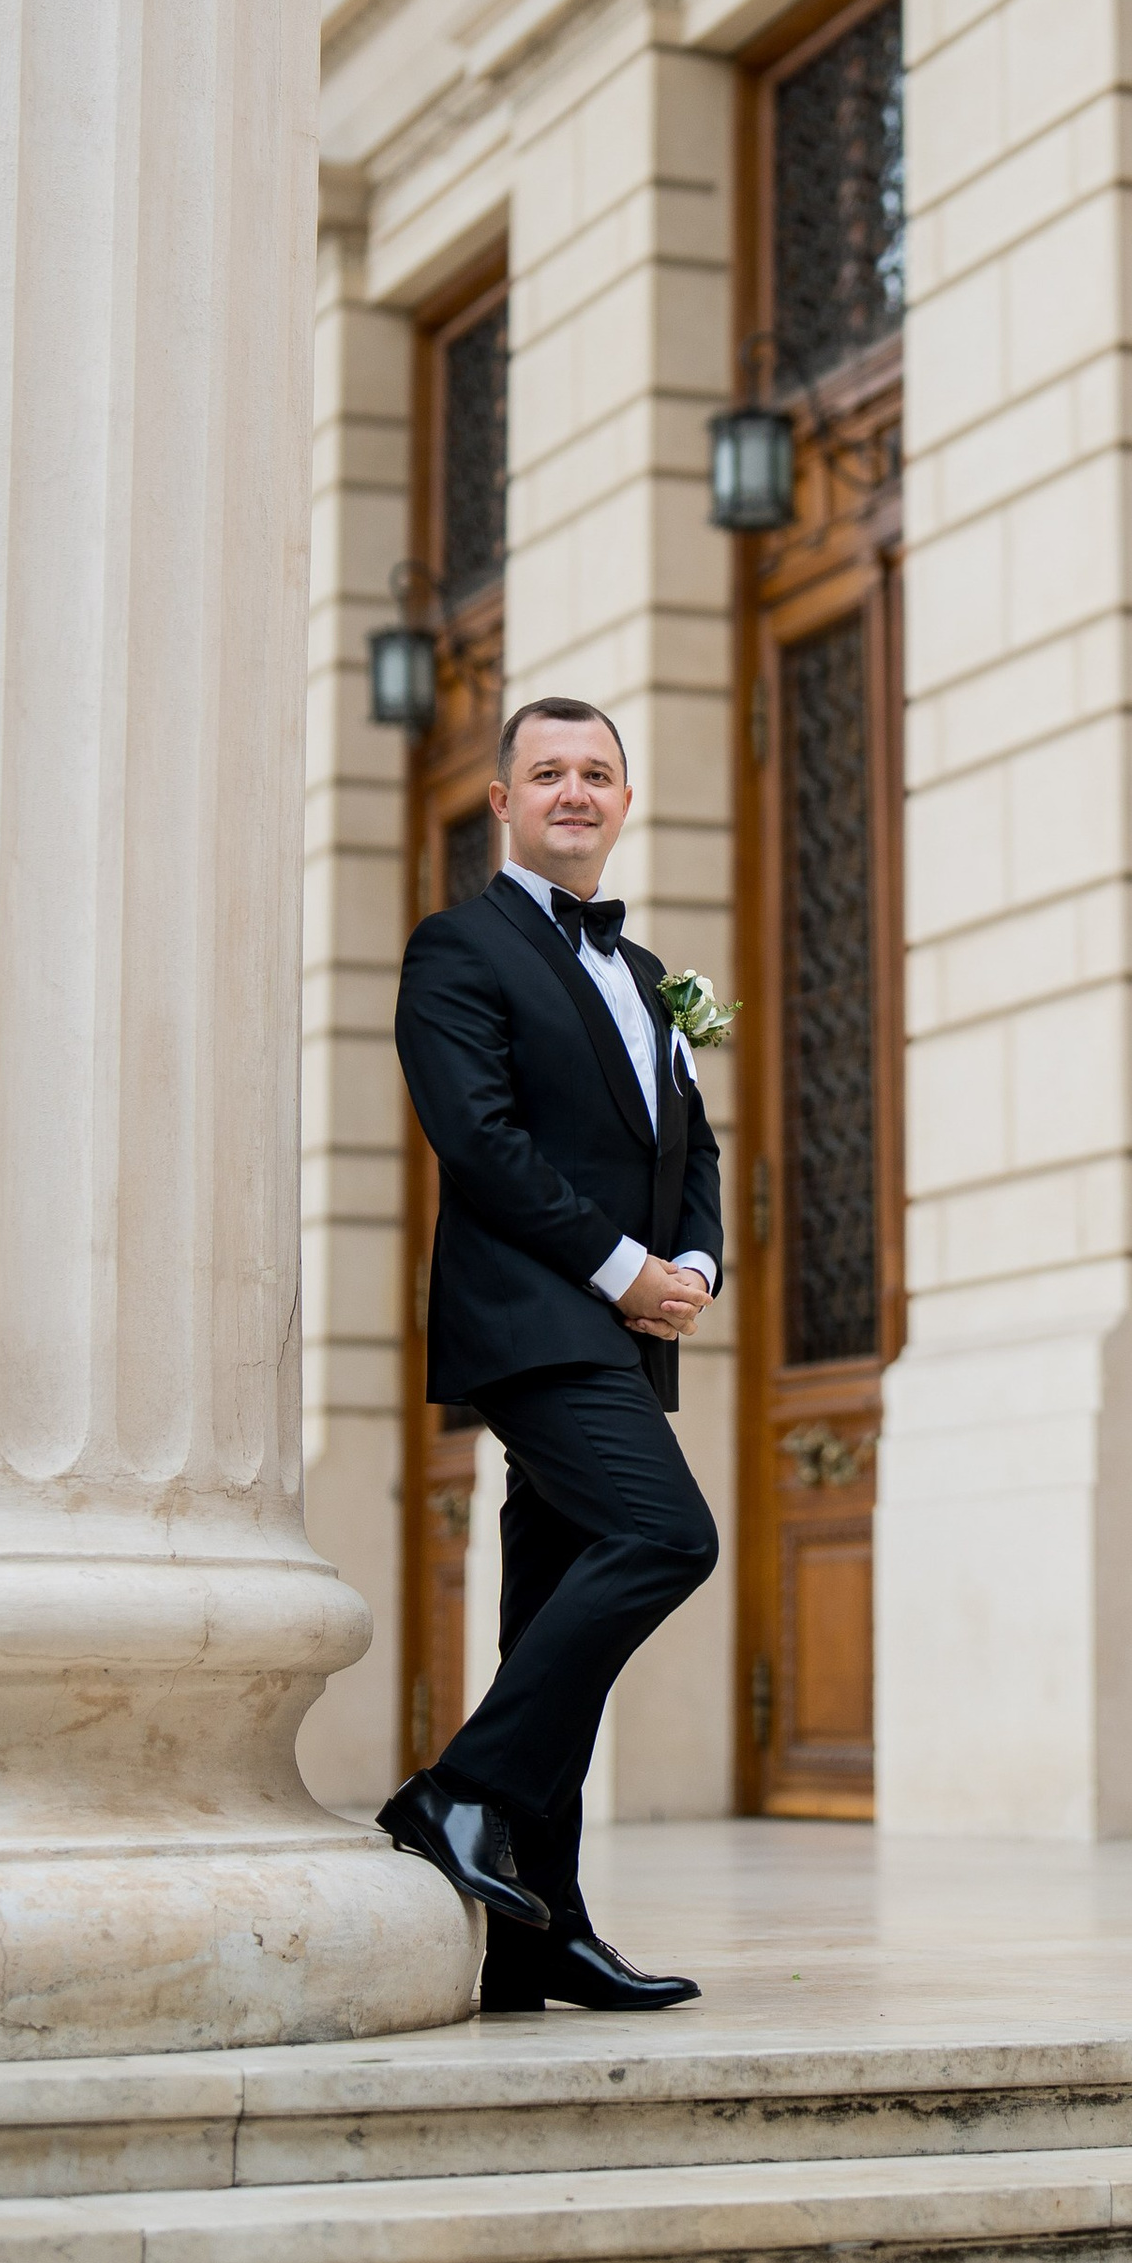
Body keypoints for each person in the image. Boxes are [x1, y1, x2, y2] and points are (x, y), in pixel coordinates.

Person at [377, 696, 722, 2013]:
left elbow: (690, 1147)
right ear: (502, 803)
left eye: (596, 773)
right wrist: (619, 1267)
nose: (573, 791)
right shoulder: (457, 949)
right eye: (547, 772)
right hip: (533, 1320)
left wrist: (694, 1262)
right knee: (667, 1536)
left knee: (545, 1614)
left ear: (624, 802)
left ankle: (540, 1928)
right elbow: (478, 1139)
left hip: (628, 1327)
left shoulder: (650, 982)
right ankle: (453, 1793)